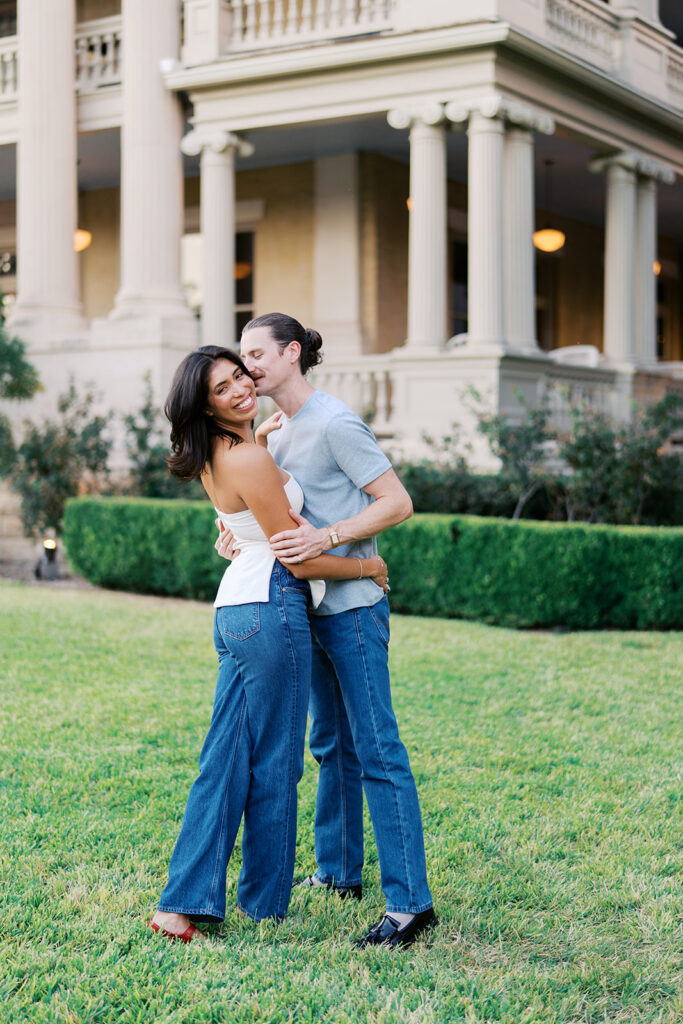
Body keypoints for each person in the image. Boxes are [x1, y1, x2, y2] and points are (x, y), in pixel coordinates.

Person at [149, 346, 388, 942]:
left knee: (223, 760)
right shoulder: (249, 459)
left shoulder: (221, 453)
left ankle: (180, 906)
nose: (238, 390)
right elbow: (299, 561)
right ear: (203, 405)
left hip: (236, 609)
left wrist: (266, 428)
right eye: (221, 389)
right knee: (277, 763)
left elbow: (248, 526)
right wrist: (369, 568)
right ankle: (263, 906)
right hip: (272, 607)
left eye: (239, 377)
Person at [217, 312, 436, 949]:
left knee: (376, 748)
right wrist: (236, 533)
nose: (247, 367)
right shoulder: (271, 430)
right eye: (241, 356)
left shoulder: (336, 421)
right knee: (329, 746)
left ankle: (410, 905)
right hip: (302, 608)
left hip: (355, 608)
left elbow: (397, 502)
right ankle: (339, 871)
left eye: (257, 354)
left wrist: (330, 536)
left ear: (291, 354)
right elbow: (272, 510)